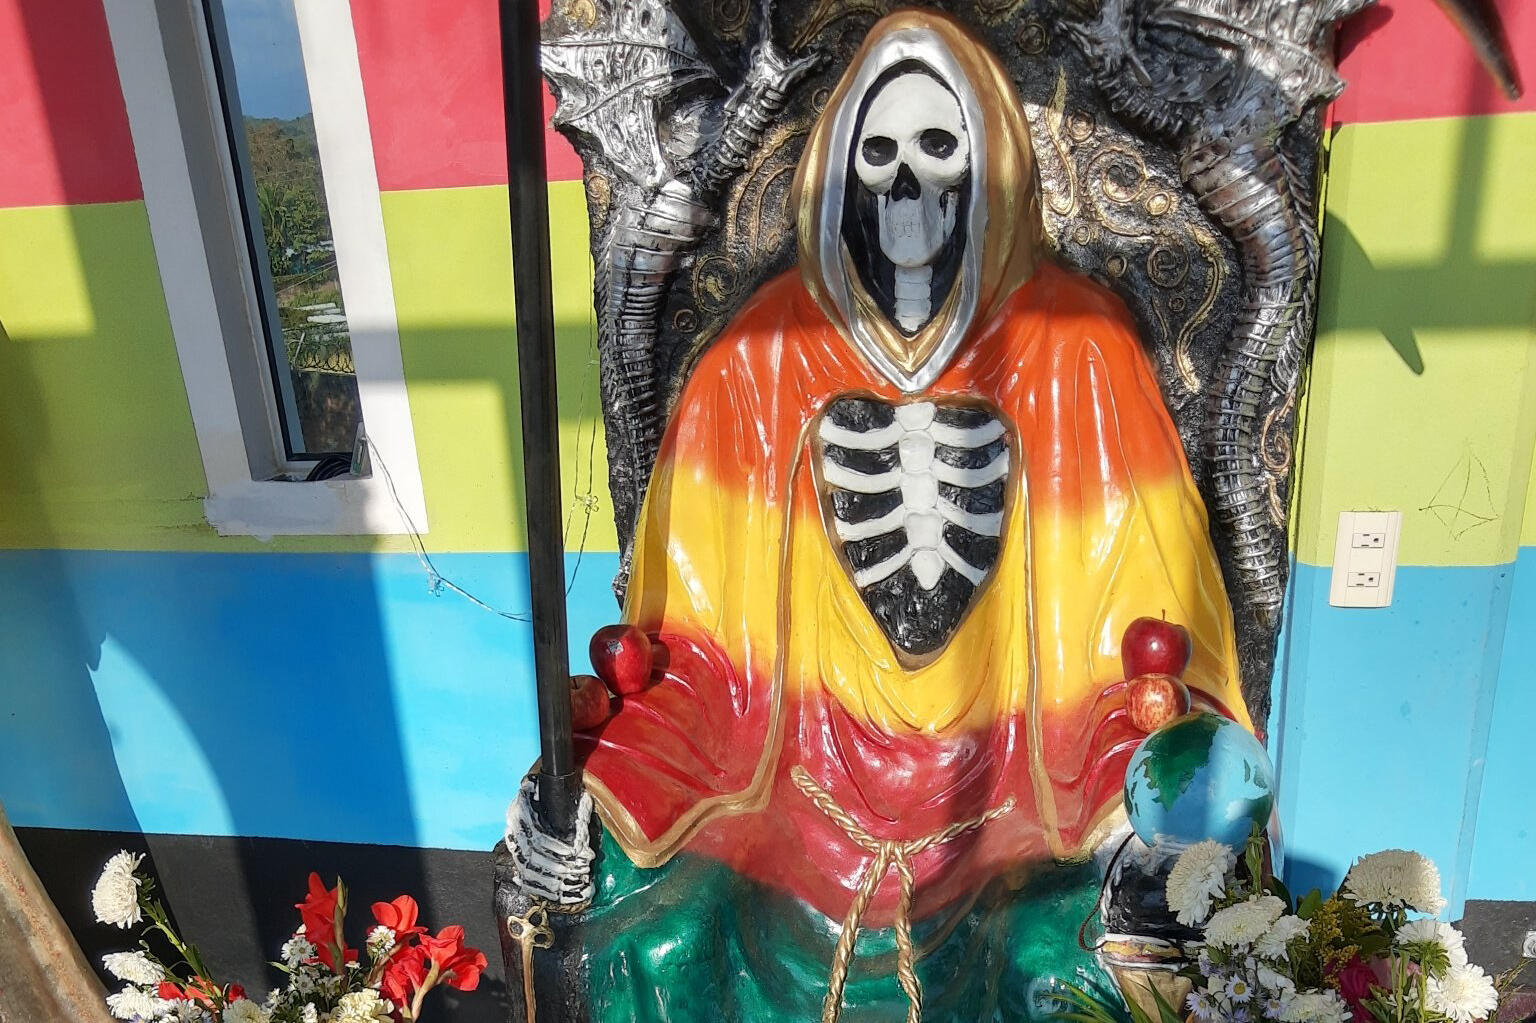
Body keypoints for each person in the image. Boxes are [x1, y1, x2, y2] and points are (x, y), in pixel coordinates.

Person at [507, 10, 1251, 1021]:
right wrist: (576, 784)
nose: (906, 187)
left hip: (1017, 791)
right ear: (833, 178)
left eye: (939, 149)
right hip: (789, 783)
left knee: (1066, 965)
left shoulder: (1079, 349)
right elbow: (696, 661)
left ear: (995, 168)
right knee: (655, 941)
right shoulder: (754, 363)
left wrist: (1148, 807)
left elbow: (1150, 664)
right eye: (880, 154)